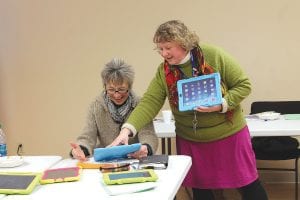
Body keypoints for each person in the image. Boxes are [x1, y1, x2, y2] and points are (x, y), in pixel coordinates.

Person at [110, 20, 268, 200]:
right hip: (192, 141)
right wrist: (127, 129)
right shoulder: (164, 70)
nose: (164, 53)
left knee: (248, 185)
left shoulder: (213, 55)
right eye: (160, 49)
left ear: (183, 42)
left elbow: (243, 85)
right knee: (201, 191)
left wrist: (221, 104)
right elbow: (150, 101)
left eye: (168, 47)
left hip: (229, 137)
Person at [70, 58, 158, 162]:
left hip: (134, 160)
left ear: (129, 87)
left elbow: (148, 135)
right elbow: (87, 136)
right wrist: (81, 150)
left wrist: (145, 148)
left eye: (121, 89)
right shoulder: (96, 106)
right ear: (105, 87)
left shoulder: (140, 105)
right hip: (106, 161)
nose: (116, 95)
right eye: (111, 90)